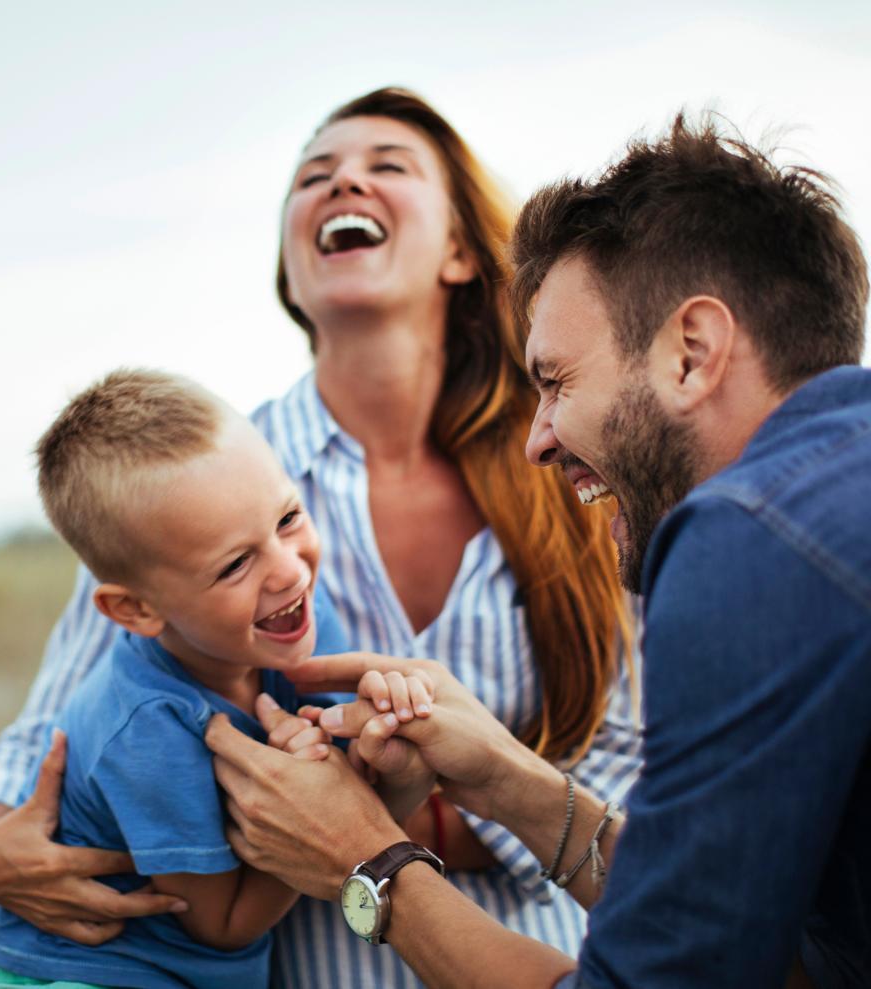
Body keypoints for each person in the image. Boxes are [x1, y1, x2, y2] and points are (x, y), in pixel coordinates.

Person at [0, 88, 643, 988]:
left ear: (463, 250)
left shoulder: (569, 462)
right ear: (292, 265)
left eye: (386, 166)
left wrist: (373, 816)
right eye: (312, 175)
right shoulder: (193, 485)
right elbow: (60, 718)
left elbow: (635, 759)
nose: (343, 179)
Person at [205, 113, 871, 988]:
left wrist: (367, 857)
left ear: (692, 353)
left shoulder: (743, 540)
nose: (539, 438)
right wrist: (509, 779)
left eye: (556, 381)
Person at [0, 367, 389, 988]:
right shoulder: (147, 725)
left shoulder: (298, 610)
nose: (288, 571)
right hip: (89, 971)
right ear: (136, 611)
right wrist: (318, 805)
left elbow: (356, 742)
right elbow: (222, 924)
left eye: (287, 519)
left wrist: (389, 713)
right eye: (234, 565)